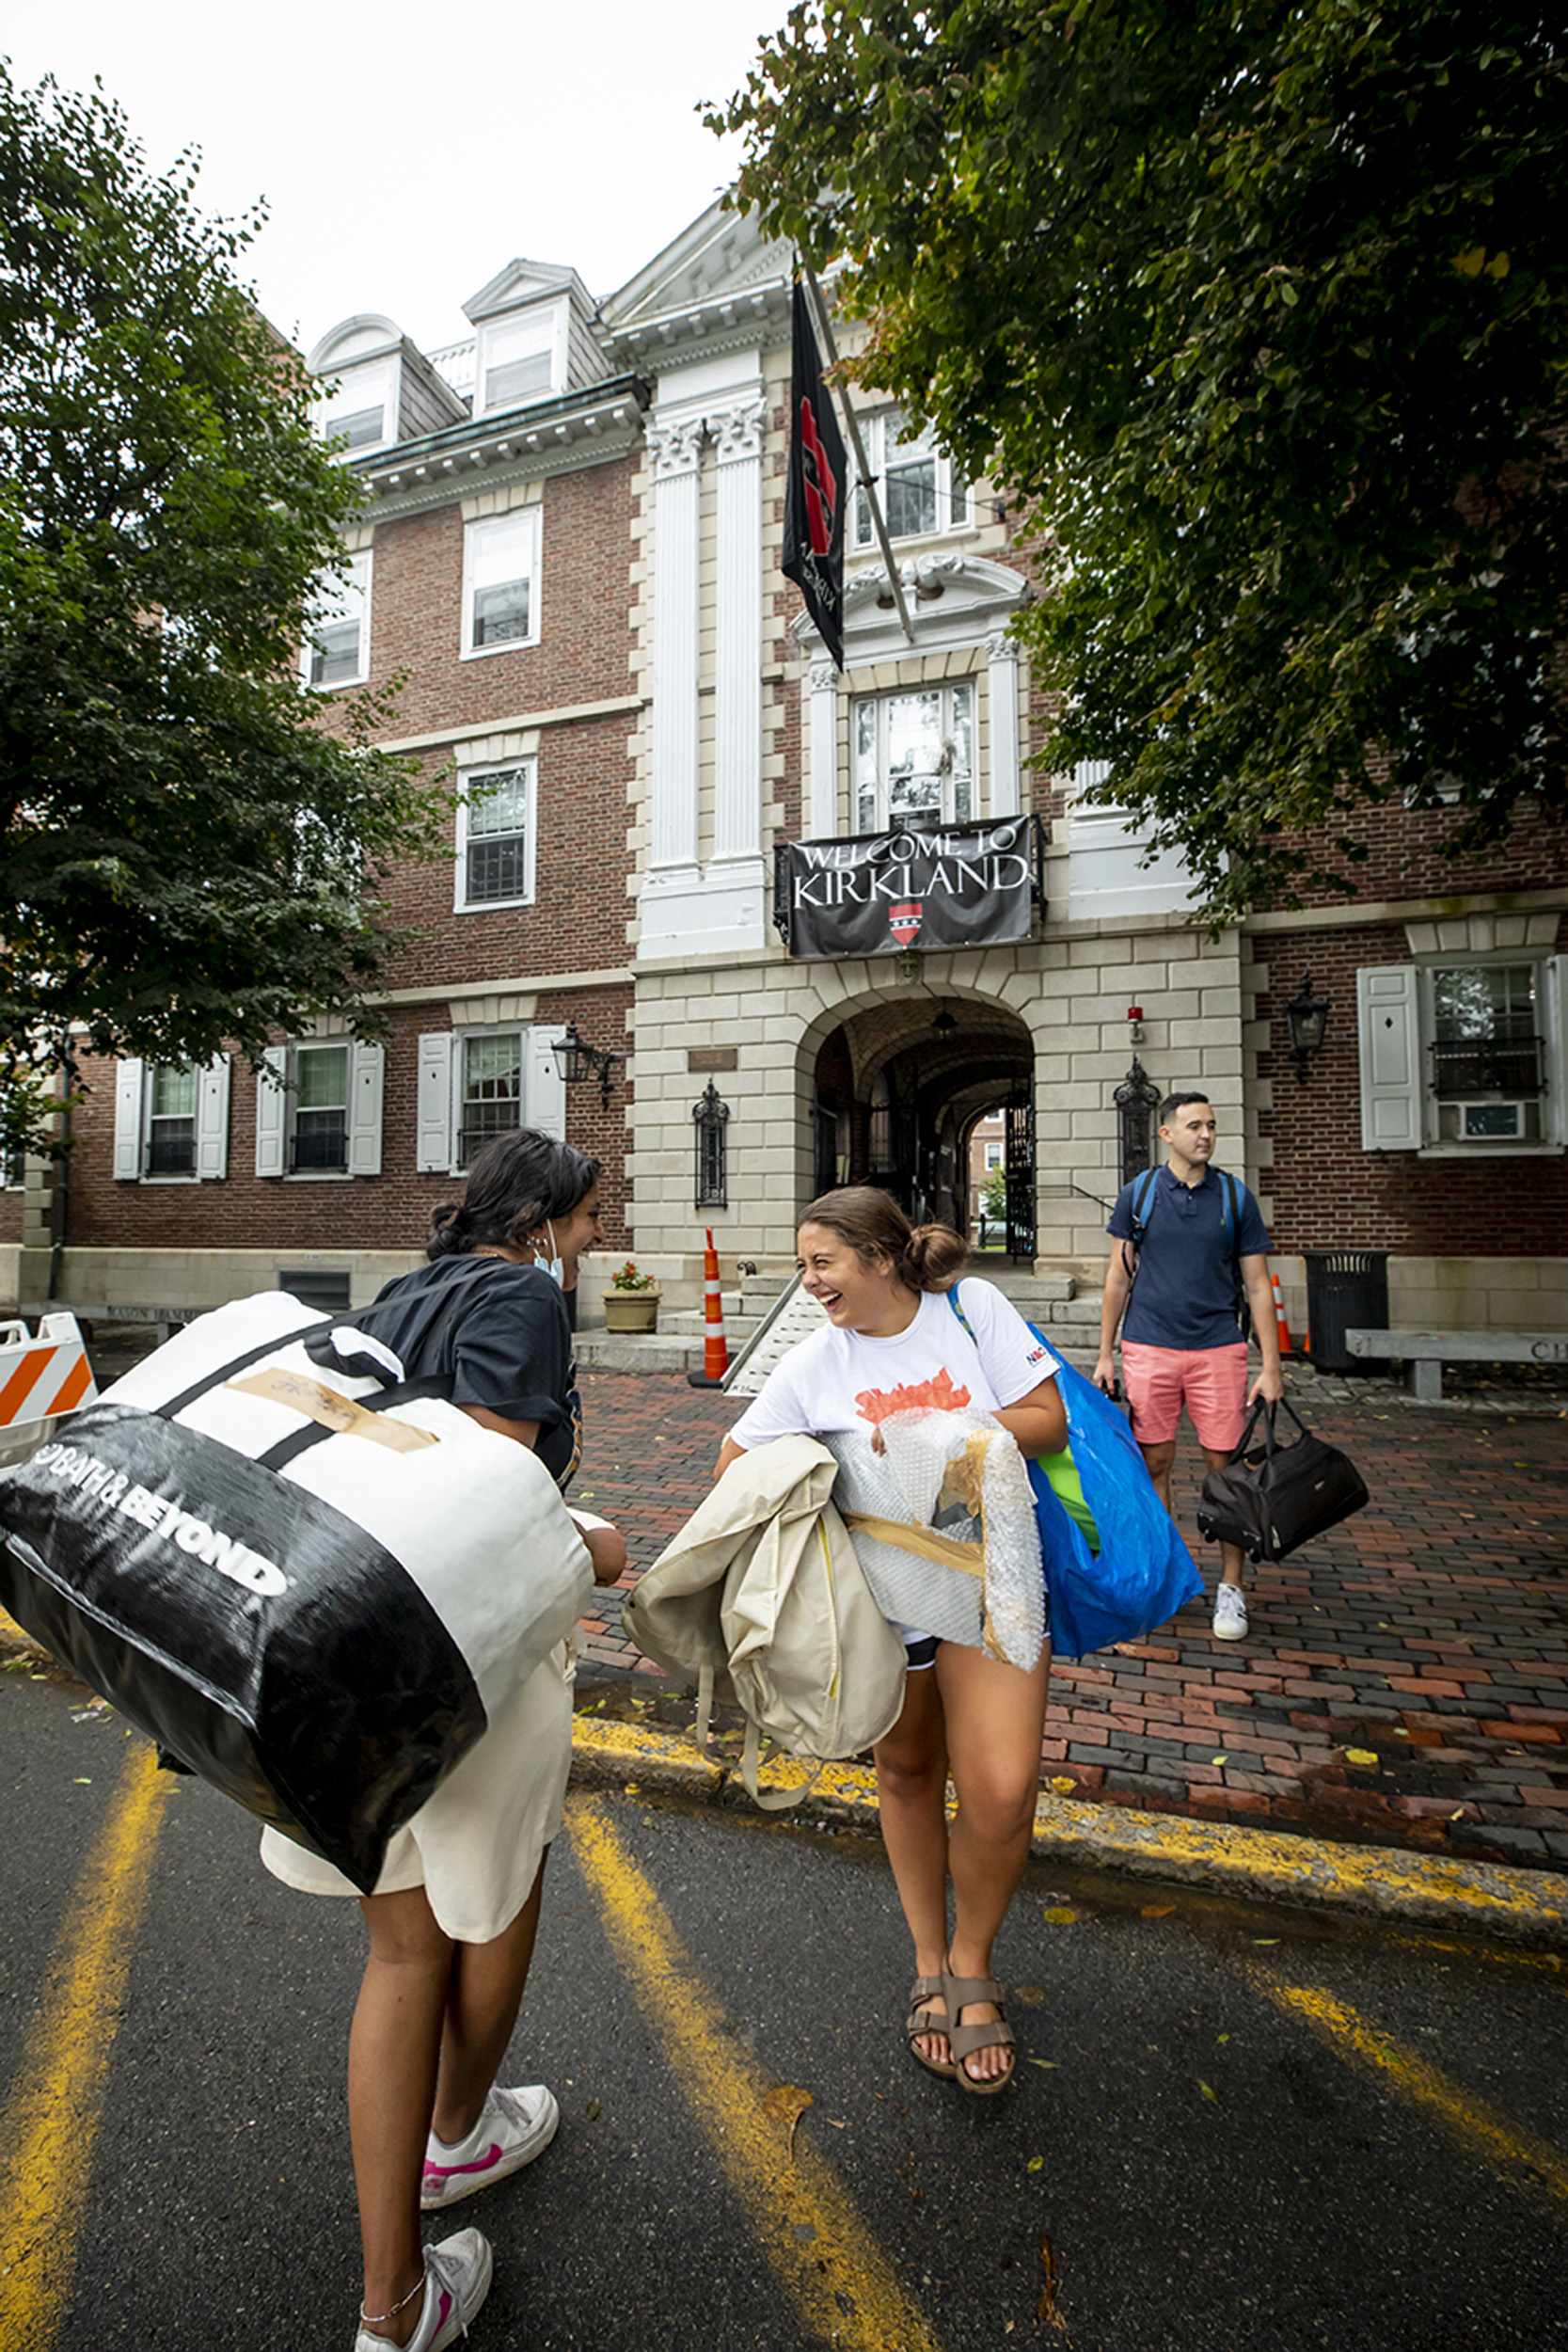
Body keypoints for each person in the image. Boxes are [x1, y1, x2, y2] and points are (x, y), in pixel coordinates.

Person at [258, 1129, 627, 2352]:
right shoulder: (520, 1293)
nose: (591, 1244)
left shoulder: (403, 1294)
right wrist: (599, 1545)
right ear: (541, 1220)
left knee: (401, 1956)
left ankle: (392, 2305)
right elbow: (486, 1497)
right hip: (469, 1661)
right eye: (584, 1222)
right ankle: (459, 2136)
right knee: (497, 1897)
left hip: (350, 1653)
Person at [714, 1187, 1068, 2094]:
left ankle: (971, 1951)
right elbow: (733, 1465)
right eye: (803, 1264)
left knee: (1000, 1789)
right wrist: (825, 1462)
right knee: (908, 1774)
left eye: (821, 1262)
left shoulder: (969, 1310)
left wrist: (935, 1435)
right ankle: (931, 1962)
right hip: (884, 1605)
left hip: (992, 1585)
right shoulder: (809, 1365)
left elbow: (1045, 1420)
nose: (810, 1281)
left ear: (878, 1256)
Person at [1093, 1093, 1282, 1641]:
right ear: (1166, 1134)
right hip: (1150, 1347)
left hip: (1218, 1349)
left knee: (1224, 1473)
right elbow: (1117, 1279)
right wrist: (1107, 1354)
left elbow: (1257, 1285)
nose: (1206, 1134)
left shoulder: (1233, 1196)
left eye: (1212, 1126)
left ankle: (1231, 1589)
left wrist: (1270, 1365)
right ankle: (1165, 1577)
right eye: (1194, 1125)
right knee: (1155, 1464)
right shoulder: (1140, 1195)